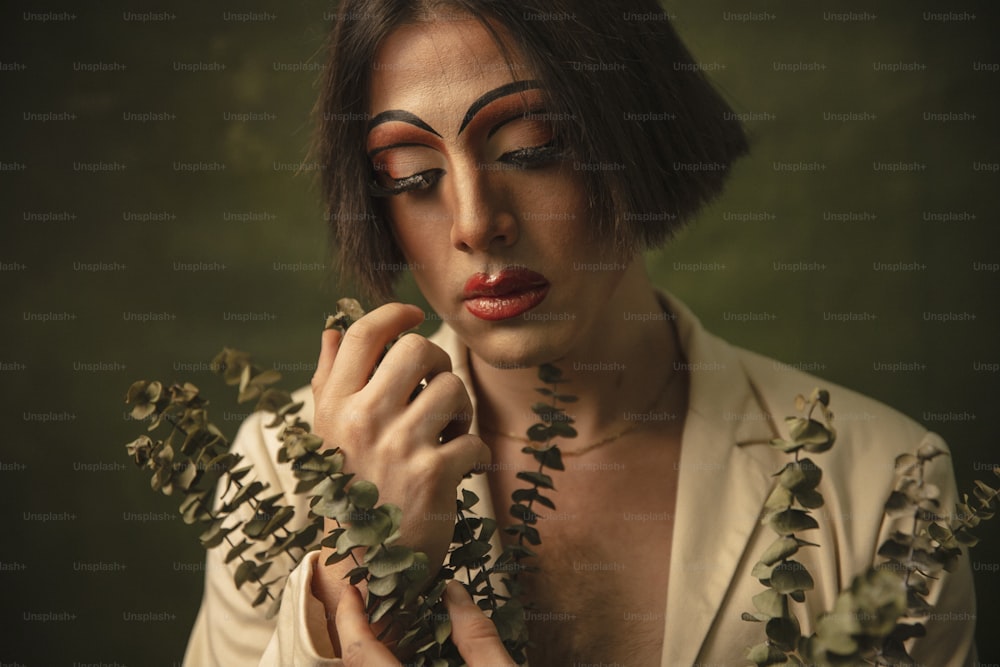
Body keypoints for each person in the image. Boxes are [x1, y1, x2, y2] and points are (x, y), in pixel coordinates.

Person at [184, 1, 978, 665]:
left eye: (533, 147)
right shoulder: (279, 482)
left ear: (635, 134)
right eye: (412, 176)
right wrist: (355, 570)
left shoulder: (883, 493)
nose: (474, 223)